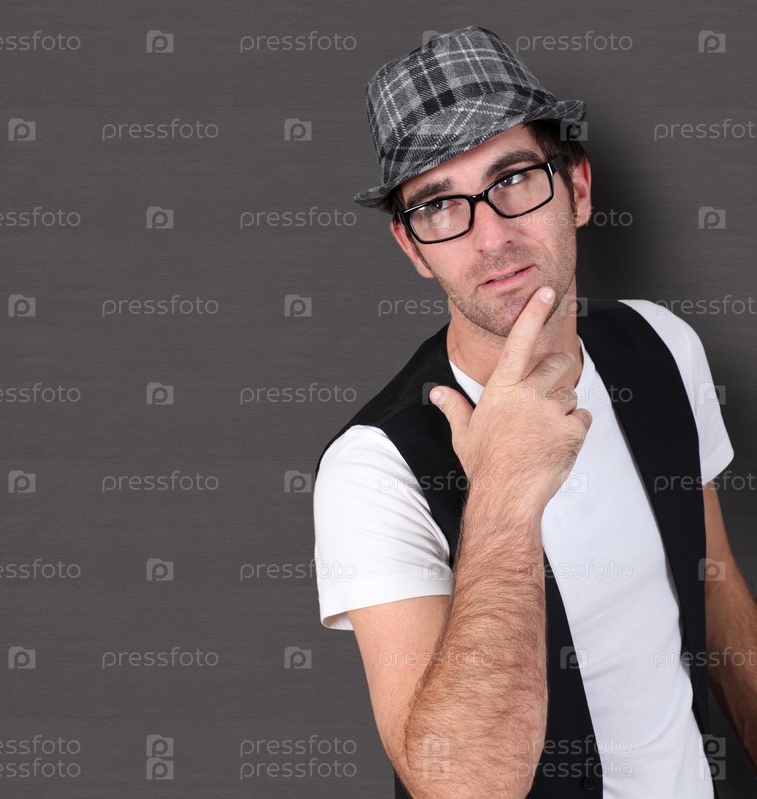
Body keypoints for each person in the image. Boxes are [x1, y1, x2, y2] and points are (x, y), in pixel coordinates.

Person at [313, 26, 757, 798]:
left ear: (576, 188)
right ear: (413, 248)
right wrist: (505, 491)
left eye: (513, 178)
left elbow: (718, 603)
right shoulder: (372, 470)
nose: (491, 236)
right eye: (438, 205)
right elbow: (462, 784)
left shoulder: (661, 344)